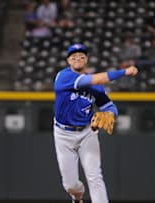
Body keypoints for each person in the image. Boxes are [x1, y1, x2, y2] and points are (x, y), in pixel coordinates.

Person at [53, 43, 138, 203]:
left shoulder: (96, 87)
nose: (78, 58)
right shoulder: (64, 77)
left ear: (87, 60)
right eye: (74, 56)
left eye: (82, 56)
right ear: (68, 61)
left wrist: (111, 114)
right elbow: (97, 78)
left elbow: (109, 106)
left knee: (94, 176)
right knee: (70, 184)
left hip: (87, 132)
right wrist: (124, 71)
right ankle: (77, 196)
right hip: (63, 134)